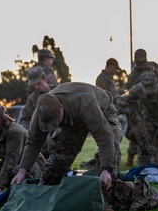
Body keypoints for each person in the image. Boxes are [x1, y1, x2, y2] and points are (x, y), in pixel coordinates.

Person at [11, 82, 123, 210]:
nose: (53, 125)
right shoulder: (41, 110)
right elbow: (33, 142)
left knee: (112, 151)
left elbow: (104, 136)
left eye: (54, 121)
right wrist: (22, 171)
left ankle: (105, 200)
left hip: (102, 111)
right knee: (59, 157)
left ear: (61, 107)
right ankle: (45, 194)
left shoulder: (84, 102)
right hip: (72, 120)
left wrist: (106, 169)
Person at [123, 49, 158, 167]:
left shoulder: (153, 66)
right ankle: (133, 159)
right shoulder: (134, 73)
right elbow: (129, 87)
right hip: (143, 106)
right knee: (138, 133)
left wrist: (155, 72)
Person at [0, 104, 45, 194]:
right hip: (15, 165)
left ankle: (23, 193)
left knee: (16, 170)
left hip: (34, 167)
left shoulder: (15, 132)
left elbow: (10, 161)